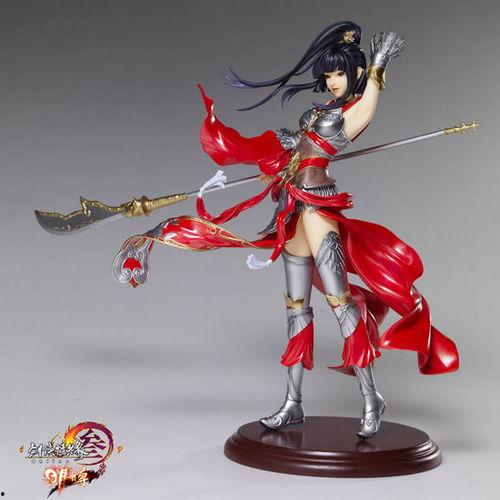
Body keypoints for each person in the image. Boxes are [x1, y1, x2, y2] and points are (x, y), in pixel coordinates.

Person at [113, 21, 459, 439]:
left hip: (318, 209)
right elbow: (296, 149)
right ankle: (293, 403)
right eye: (328, 74)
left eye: (341, 73)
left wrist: (379, 65)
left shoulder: (350, 115)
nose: (333, 81)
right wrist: (279, 161)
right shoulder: (317, 113)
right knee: (296, 308)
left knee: (341, 303)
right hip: (291, 209)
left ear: (355, 73)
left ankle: (372, 399)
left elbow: (368, 107)